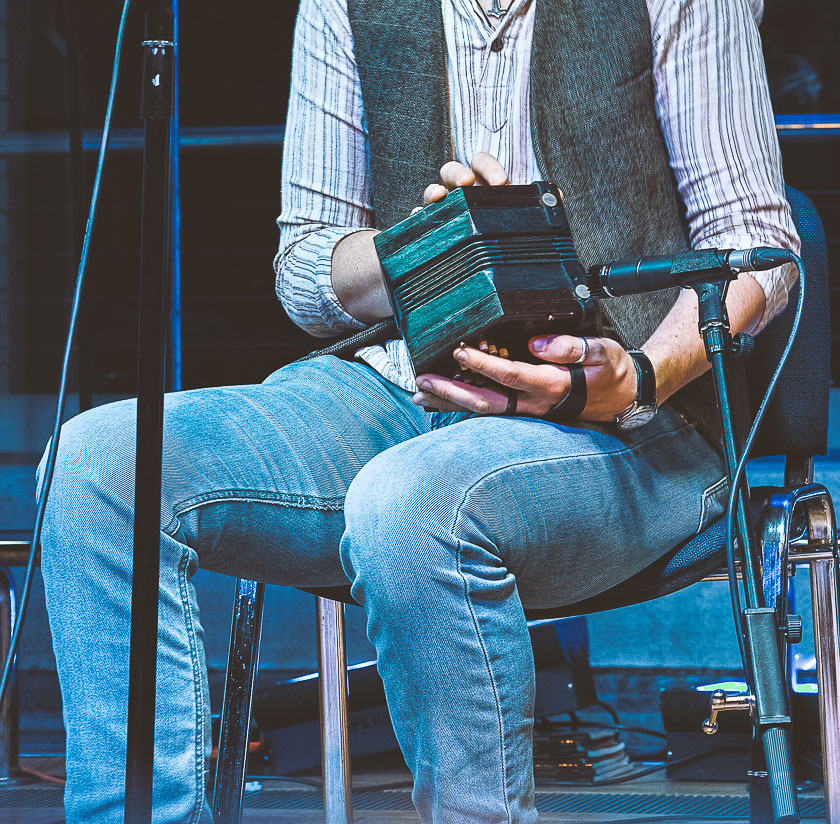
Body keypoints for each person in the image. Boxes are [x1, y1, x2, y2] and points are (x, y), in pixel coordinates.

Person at [39, 0, 796, 819]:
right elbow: (306, 268)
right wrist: (421, 249)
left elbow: (755, 247)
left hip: (635, 417)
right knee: (101, 465)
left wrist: (638, 377)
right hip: (396, 384)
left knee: (412, 499)